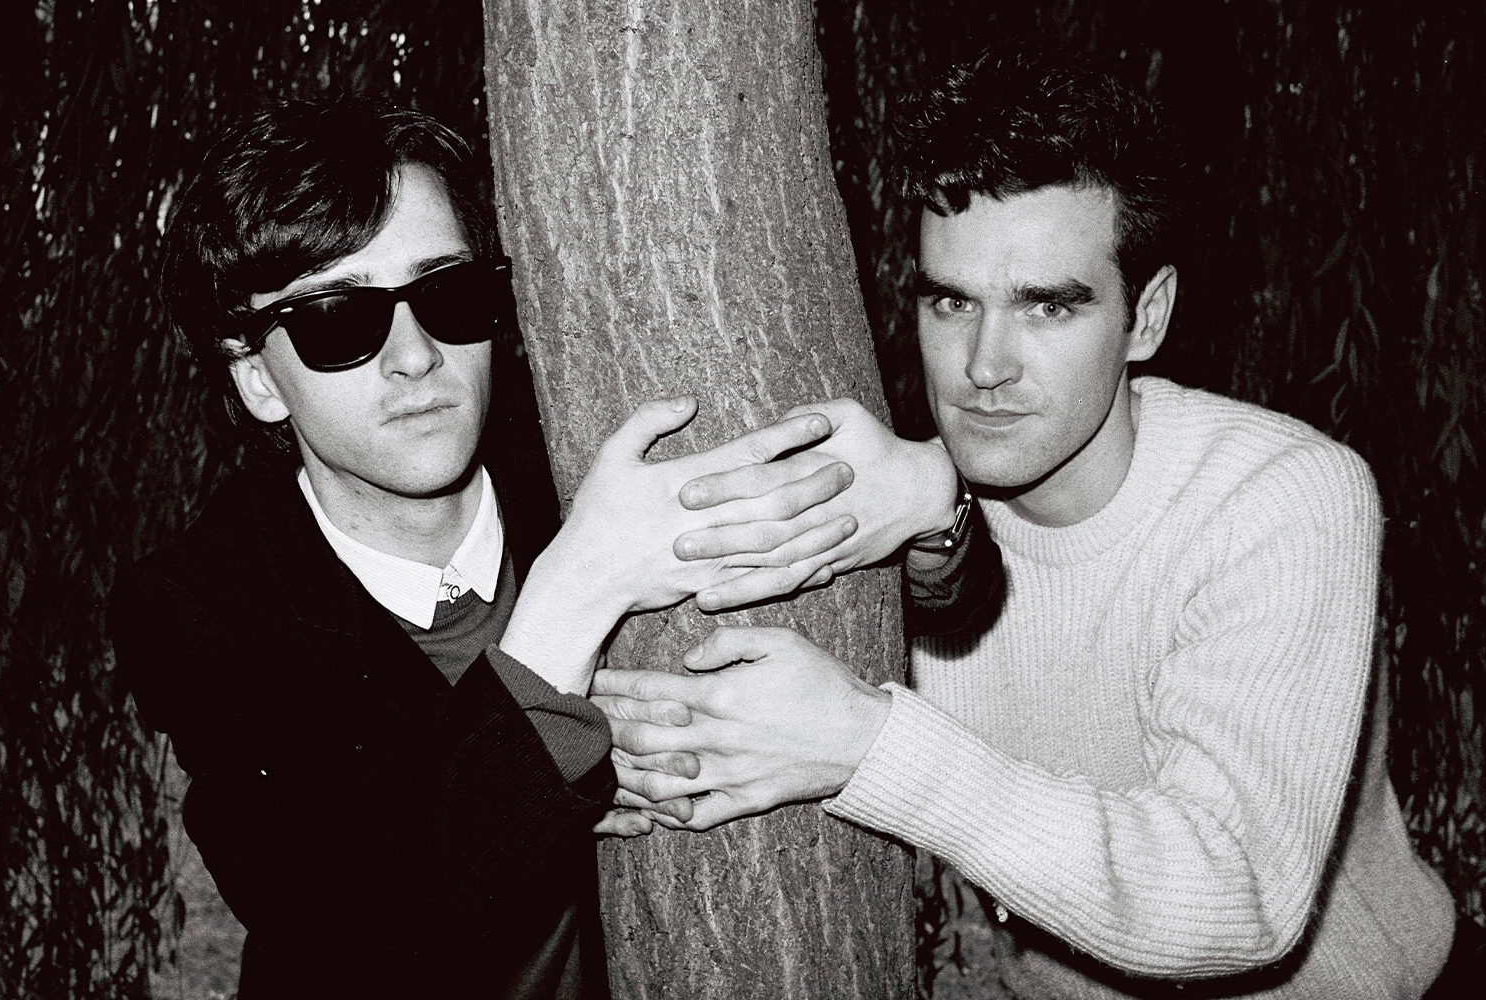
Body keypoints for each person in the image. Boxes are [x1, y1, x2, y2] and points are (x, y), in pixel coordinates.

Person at [591, 51, 1463, 998]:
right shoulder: (901, 511)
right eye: (951, 301)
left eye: (1048, 306)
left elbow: (1235, 894)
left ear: (1147, 317)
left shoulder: (1282, 497)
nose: (983, 366)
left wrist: (865, 743)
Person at [111, 99, 863, 998]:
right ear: (257, 380)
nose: (417, 355)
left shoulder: (582, 461)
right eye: (339, 321)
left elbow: (909, 597)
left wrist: (942, 522)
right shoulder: (202, 610)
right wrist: (575, 598)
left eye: (447, 295)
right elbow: (354, 928)